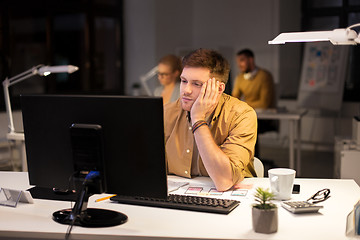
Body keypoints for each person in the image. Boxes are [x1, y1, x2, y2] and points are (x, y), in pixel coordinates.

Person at [164, 49, 257, 191]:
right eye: (184, 81)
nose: (186, 90)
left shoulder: (242, 115)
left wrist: (198, 119)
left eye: (197, 84)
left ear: (219, 89)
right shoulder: (167, 113)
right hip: (179, 194)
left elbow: (224, 181)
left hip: (230, 199)